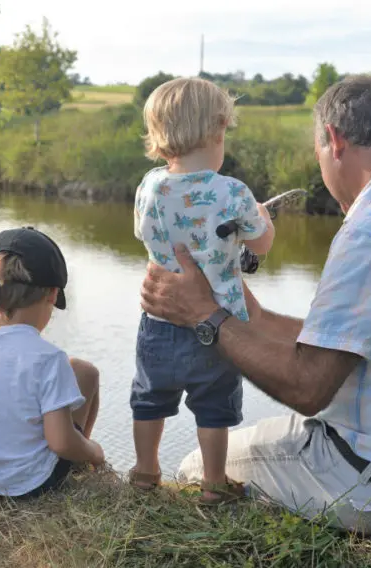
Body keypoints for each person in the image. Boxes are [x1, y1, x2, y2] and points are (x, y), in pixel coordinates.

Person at [139, 75, 371, 544]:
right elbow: (352, 342)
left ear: (333, 141)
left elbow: (309, 387)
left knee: (195, 465)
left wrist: (205, 316)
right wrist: (246, 313)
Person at [128, 77, 275, 502]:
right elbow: (260, 243)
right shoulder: (232, 192)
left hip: (158, 320)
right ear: (217, 129)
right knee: (214, 405)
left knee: (149, 397)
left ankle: (144, 471)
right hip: (217, 325)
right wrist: (263, 216)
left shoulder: (150, 185)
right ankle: (214, 482)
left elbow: (143, 231)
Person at [0, 227, 105, 498]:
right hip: (25, 487)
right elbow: (61, 442)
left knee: (75, 373)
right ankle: (82, 464)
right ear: (52, 296)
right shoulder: (48, 358)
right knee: (86, 372)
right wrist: (94, 451)